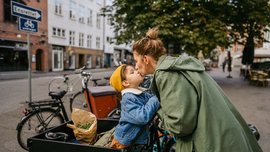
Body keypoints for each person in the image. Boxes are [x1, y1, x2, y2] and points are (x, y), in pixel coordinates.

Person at [132, 28, 262, 152]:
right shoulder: (178, 66)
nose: (135, 66)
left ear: (146, 59)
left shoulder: (166, 75)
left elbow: (180, 126)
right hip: (225, 138)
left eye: (136, 61)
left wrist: (157, 108)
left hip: (211, 144)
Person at [109, 64, 160, 149]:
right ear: (126, 83)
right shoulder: (128, 98)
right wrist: (155, 99)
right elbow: (143, 117)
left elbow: (152, 100)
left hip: (136, 139)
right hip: (128, 142)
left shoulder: (140, 93)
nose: (137, 72)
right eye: (132, 72)